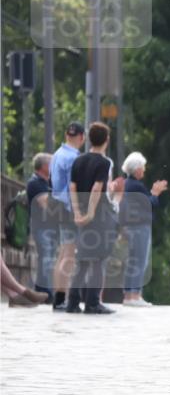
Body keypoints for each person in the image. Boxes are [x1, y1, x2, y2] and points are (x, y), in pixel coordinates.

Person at [67, 122, 123, 314]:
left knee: (82, 259)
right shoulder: (104, 162)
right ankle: (92, 302)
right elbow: (97, 188)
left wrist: (77, 213)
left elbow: (73, 187)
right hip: (98, 215)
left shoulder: (78, 160)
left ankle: (72, 302)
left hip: (80, 213)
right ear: (106, 140)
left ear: (89, 139)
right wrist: (90, 213)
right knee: (98, 259)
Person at [120, 151, 168, 307]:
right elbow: (150, 204)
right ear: (137, 169)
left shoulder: (127, 184)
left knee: (133, 261)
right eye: (143, 167)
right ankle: (134, 295)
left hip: (132, 226)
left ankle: (129, 294)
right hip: (139, 227)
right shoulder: (136, 186)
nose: (144, 170)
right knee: (140, 261)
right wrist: (155, 193)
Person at [48, 122, 87, 310]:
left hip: (58, 206)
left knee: (63, 253)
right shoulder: (74, 158)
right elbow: (74, 187)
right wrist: (78, 211)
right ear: (81, 137)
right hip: (69, 207)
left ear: (66, 135)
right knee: (69, 255)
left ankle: (58, 297)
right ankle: (62, 299)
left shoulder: (56, 155)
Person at [26, 153, 58, 301]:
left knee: (48, 259)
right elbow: (45, 204)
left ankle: (43, 290)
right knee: (46, 259)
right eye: (52, 164)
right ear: (45, 166)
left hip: (50, 228)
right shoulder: (35, 182)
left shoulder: (46, 183)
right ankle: (46, 291)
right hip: (42, 228)